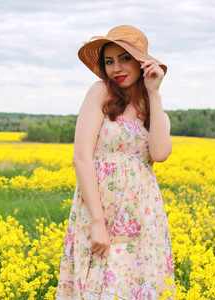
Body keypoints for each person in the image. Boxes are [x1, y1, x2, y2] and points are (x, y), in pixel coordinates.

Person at [55, 25, 176, 299]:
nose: (116, 68)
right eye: (109, 61)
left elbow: (159, 154)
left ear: (142, 62)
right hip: (101, 209)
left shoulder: (155, 111)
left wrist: (154, 93)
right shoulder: (100, 93)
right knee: (98, 287)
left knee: (137, 286)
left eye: (125, 58)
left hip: (143, 214)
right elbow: (81, 157)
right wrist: (98, 222)